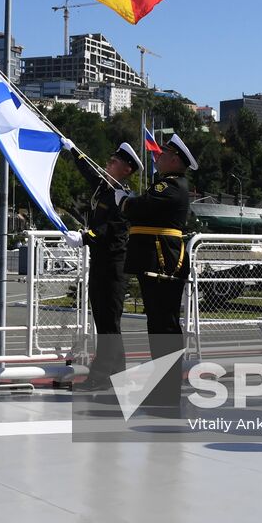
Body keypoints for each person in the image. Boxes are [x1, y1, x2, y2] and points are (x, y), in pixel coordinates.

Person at [120, 133, 196, 413]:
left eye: (163, 154)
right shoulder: (165, 184)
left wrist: (125, 202)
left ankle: (166, 391)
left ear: (175, 159)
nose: (157, 157)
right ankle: (163, 388)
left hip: (162, 259)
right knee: (158, 326)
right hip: (155, 257)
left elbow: (140, 208)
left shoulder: (171, 186)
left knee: (164, 326)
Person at [63, 139, 142, 388]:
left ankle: (99, 376)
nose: (108, 163)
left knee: (108, 323)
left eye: (114, 161)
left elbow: (109, 231)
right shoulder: (106, 189)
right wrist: (74, 151)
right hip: (101, 263)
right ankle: (118, 375)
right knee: (105, 322)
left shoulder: (123, 198)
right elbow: (89, 171)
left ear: (127, 170)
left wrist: (84, 237)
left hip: (113, 267)